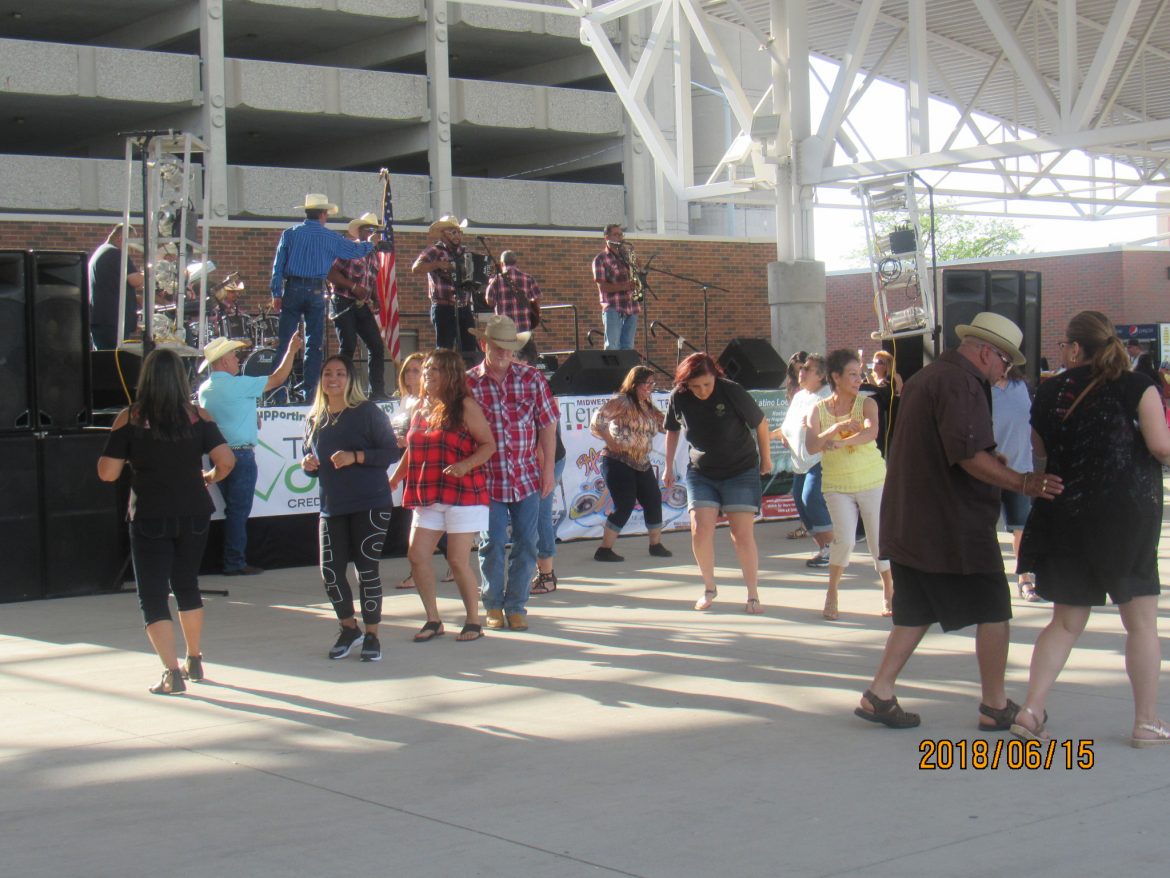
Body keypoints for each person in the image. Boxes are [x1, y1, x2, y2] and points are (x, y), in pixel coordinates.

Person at [856, 312, 1062, 730]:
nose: (1006, 371)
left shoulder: (929, 377)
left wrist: (993, 461)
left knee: (915, 611)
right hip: (950, 524)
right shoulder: (962, 383)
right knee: (993, 609)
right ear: (987, 351)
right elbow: (968, 457)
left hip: (913, 518)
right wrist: (1023, 481)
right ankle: (994, 703)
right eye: (1005, 361)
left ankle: (880, 692)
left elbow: (952, 448)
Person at [1012, 311, 1170, 747]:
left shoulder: (1048, 391)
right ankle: (1147, 723)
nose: (1062, 350)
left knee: (1065, 622)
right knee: (1140, 623)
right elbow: (1160, 446)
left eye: (1065, 344)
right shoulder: (1139, 386)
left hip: (1066, 511)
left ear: (1077, 348)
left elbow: (1039, 450)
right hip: (1126, 516)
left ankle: (1031, 710)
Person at [97, 349, 235, 695]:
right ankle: (194, 657)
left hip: (149, 513)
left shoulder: (130, 418)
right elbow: (227, 461)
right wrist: (209, 477)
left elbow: (107, 473)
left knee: (153, 595)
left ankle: (171, 672)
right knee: (187, 584)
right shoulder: (198, 417)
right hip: (194, 510)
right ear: (180, 379)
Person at [389, 349, 496, 642]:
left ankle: (474, 620)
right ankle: (433, 620)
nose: (427, 374)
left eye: (435, 369)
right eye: (426, 369)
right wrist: (396, 477)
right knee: (417, 555)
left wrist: (465, 465)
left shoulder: (465, 406)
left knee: (457, 560)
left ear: (450, 374)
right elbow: (413, 449)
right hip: (428, 491)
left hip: (463, 493)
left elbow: (488, 445)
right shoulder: (420, 406)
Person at [301, 356, 400, 662]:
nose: (334, 378)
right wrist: (308, 464)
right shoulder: (314, 418)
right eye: (328, 373)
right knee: (330, 571)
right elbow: (311, 459)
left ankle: (372, 635)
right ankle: (349, 627)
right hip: (332, 505)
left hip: (370, 502)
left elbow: (390, 452)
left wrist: (356, 456)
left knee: (366, 570)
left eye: (340, 373)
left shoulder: (367, 412)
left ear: (351, 379)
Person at [466, 315, 558, 631]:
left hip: (527, 477)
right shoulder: (468, 383)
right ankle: (493, 605)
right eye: (498, 347)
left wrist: (548, 470)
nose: (505, 353)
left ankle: (516, 605)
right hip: (485, 480)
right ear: (484, 345)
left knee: (527, 543)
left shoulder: (532, 378)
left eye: (510, 347)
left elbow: (547, 425)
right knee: (491, 543)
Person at [663, 352, 771, 614]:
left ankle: (753, 594)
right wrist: (668, 467)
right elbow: (672, 430)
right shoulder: (678, 397)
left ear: (716, 377)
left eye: (707, 385)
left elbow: (761, 423)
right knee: (699, 530)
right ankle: (709, 588)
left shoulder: (731, 391)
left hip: (740, 470)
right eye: (695, 386)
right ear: (685, 384)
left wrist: (766, 459)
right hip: (702, 472)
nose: (702, 391)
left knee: (741, 535)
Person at [197, 331, 304, 576]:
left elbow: (220, 415)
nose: (237, 360)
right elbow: (278, 379)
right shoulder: (240, 385)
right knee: (238, 511)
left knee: (232, 510)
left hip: (218, 454)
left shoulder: (205, 389)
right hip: (241, 455)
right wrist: (291, 351)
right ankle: (234, 561)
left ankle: (232, 559)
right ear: (223, 360)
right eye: (234, 356)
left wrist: (249, 413)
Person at [803, 349, 893, 619]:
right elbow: (811, 446)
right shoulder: (818, 409)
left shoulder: (867, 403)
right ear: (836, 377)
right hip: (837, 484)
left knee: (879, 540)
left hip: (871, 479)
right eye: (852, 374)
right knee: (844, 540)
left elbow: (871, 432)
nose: (858, 379)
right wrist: (832, 431)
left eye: (860, 373)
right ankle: (832, 591)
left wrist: (841, 442)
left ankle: (889, 589)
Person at [270, 194, 376, 402]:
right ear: (323, 214)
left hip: (292, 288)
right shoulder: (330, 237)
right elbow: (353, 251)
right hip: (316, 290)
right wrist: (371, 244)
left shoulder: (290, 234)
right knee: (314, 343)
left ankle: (277, 393)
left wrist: (276, 293)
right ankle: (311, 394)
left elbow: (278, 265)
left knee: (285, 342)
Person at [589, 365, 671, 563]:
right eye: (647, 383)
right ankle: (604, 549)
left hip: (642, 462)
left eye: (653, 383)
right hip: (618, 461)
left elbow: (666, 425)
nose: (650, 387)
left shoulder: (648, 406)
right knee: (624, 503)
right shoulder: (622, 401)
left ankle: (655, 544)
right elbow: (597, 421)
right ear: (635, 384)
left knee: (653, 499)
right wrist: (610, 441)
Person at [773, 354, 833, 569]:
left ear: (822, 375)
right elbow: (788, 426)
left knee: (811, 498)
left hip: (820, 459)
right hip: (799, 461)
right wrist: (774, 436)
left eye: (808, 368)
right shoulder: (799, 397)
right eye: (801, 368)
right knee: (800, 502)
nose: (802, 371)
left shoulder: (827, 397)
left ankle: (833, 547)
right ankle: (824, 549)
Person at [991, 364, 1040, 602]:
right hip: (988, 470)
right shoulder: (981, 388)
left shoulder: (1021, 386)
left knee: (1021, 528)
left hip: (1020, 469)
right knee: (983, 528)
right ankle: (987, 580)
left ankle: (1025, 578)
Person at [327, 212, 389, 400]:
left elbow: (370, 281)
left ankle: (376, 392)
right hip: (342, 301)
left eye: (375, 230)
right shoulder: (349, 249)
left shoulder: (374, 256)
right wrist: (353, 286)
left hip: (361, 305)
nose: (373, 233)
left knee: (376, 346)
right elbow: (330, 273)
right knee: (349, 346)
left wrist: (376, 298)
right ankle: (345, 392)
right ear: (361, 232)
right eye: (369, 230)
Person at [411, 215, 475, 352]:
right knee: (444, 349)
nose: (457, 235)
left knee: (469, 349)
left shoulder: (465, 252)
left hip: (464, 307)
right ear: (443, 235)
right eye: (453, 232)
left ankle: (466, 373)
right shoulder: (434, 250)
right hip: (443, 307)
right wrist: (438, 264)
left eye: (459, 232)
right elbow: (416, 268)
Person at [88, 223, 144, 349]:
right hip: (113, 322)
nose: (133, 249)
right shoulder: (116, 254)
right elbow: (135, 281)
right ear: (121, 238)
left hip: (101, 319)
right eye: (131, 243)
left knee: (104, 359)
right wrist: (151, 273)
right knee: (114, 360)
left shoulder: (101, 252)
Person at [485, 250, 541, 361]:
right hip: (524, 327)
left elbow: (489, 301)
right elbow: (538, 297)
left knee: (508, 361)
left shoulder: (496, 280)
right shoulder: (528, 278)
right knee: (526, 360)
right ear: (516, 262)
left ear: (501, 264)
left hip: (505, 330)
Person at [592, 224, 640, 350]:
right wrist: (625, 286)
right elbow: (602, 287)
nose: (619, 237)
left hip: (631, 306)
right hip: (613, 307)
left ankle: (626, 370)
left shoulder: (626, 256)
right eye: (616, 234)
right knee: (612, 346)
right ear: (606, 237)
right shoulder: (600, 259)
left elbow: (636, 276)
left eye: (621, 234)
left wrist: (639, 268)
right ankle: (612, 371)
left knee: (628, 347)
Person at [862, 349, 902, 457]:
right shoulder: (869, 379)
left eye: (879, 362)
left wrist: (867, 372)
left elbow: (880, 390)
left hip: (890, 420)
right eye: (874, 361)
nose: (875, 364)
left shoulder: (892, 378)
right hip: (875, 419)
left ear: (886, 366)